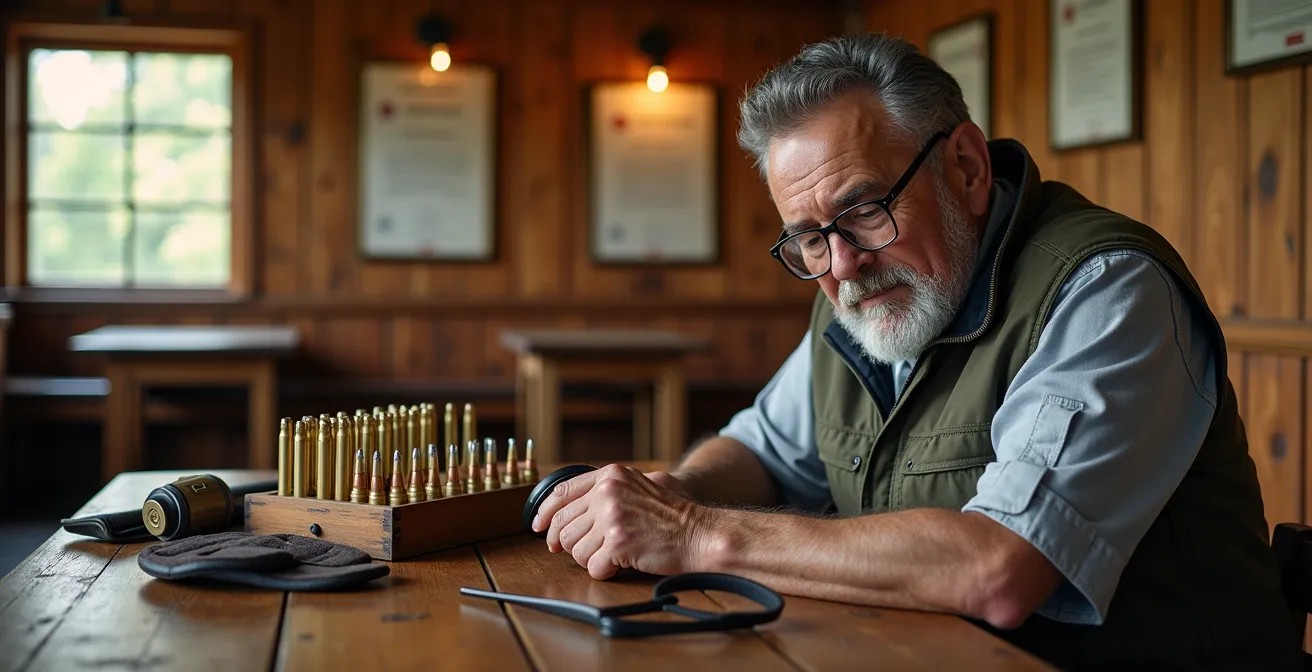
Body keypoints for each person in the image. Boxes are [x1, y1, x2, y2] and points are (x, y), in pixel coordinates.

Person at [532, 33, 1301, 669]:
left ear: (965, 168)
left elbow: (999, 567)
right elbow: (761, 450)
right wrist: (672, 492)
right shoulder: (863, 297)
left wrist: (694, 532)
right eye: (807, 238)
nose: (839, 266)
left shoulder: (1106, 290)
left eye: (863, 210)